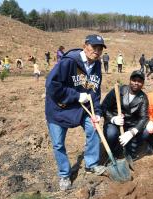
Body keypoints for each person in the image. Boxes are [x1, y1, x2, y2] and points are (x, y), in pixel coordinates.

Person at [45, 34, 107, 191]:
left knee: (93, 127)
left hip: (81, 109)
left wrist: (97, 112)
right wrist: (76, 95)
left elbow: (95, 90)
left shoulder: (97, 65)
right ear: (85, 45)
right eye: (94, 47)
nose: (97, 51)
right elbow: (52, 85)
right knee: (58, 143)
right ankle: (65, 174)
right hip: (59, 108)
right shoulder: (69, 61)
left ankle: (91, 164)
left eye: (100, 48)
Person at [101, 70, 149, 160]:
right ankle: (112, 152)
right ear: (130, 80)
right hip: (114, 124)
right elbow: (104, 107)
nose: (136, 83)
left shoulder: (143, 98)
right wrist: (113, 119)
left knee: (145, 132)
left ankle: (130, 150)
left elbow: (144, 117)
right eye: (134, 80)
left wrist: (132, 132)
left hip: (131, 125)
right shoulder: (118, 91)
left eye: (139, 81)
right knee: (111, 133)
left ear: (143, 83)